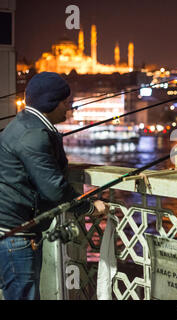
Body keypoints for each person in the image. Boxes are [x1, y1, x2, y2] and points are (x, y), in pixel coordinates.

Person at [0, 72, 109, 300]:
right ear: (50, 103)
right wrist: (89, 207)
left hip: (12, 230)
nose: (69, 108)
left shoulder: (23, 124)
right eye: (65, 102)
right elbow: (55, 189)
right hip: (17, 236)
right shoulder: (33, 135)